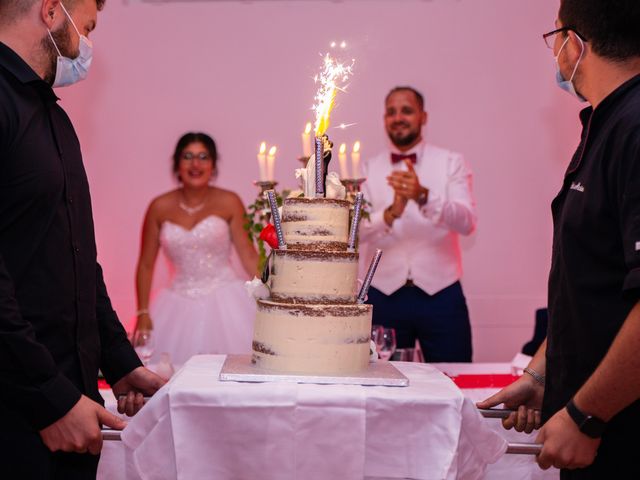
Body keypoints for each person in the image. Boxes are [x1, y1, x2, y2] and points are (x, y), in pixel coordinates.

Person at [0, 0, 165, 478]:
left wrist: (120, 363)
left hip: (72, 404)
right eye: (86, 27)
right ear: (52, 12)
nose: (86, 45)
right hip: (20, 408)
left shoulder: (53, 117)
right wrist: (49, 399)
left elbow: (78, 258)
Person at [477, 0, 640, 476]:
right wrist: (541, 374)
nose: (556, 54)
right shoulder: (603, 124)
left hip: (619, 427)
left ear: (573, 43)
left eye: (555, 37)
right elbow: (589, 283)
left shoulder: (633, 129)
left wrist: (586, 416)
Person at [360, 86, 477, 362]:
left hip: (442, 294)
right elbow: (354, 232)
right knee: (382, 384)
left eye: (407, 110)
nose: (398, 117)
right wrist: (391, 213)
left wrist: (424, 197)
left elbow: (467, 222)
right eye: (391, 112)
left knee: (455, 378)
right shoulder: (366, 169)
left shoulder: (451, 163)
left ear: (423, 117)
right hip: (383, 292)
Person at [134, 132, 259, 365]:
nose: (195, 164)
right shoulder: (159, 207)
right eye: (188, 156)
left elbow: (249, 255)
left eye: (203, 156)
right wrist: (142, 313)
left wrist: (271, 293)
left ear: (213, 165)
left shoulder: (229, 201)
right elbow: (145, 265)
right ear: (177, 164)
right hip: (176, 303)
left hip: (226, 300)